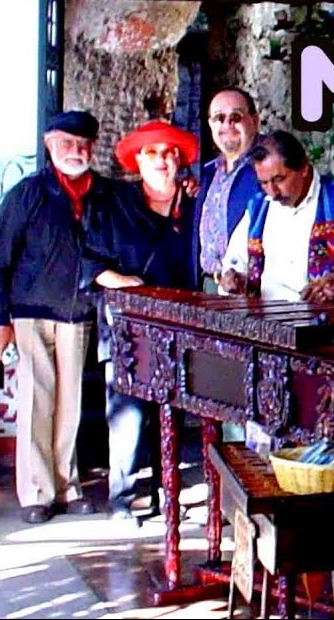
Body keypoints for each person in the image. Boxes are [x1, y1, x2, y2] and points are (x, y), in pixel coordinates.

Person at [0, 110, 113, 523]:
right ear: (50, 145)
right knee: (38, 401)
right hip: (30, 315)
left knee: (70, 404)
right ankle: (37, 492)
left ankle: (67, 486)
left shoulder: (102, 194)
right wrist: (0, 320)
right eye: (68, 143)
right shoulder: (28, 194)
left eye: (85, 144)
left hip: (77, 314)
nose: (77, 151)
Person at [82, 119, 201, 519]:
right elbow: (89, 260)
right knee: (127, 415)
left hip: (178, 325)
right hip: (126, 327)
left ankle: (169, 491)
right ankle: (124, 498)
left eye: (170, 153)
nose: (163, 161)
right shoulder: (114, 203)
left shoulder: (194, 204)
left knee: (170, 412)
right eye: (152, 153)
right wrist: (121, 282)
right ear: (137, 160)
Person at [219, 130, 334, 302]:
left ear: (303, 168)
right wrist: (234, 278)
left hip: (327, 320)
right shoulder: (259, 207)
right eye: (264, 183)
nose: (272, 191)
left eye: (279, 179)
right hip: (267, 320)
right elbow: (235, 260)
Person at [195, 88, 264, 293]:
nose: (227, 124)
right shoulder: (208, 172)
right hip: (209, 286)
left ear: (254, 120)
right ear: (210, 124)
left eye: (236, 116)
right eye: (219, 118)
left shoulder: (269, 167)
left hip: (251, 290)